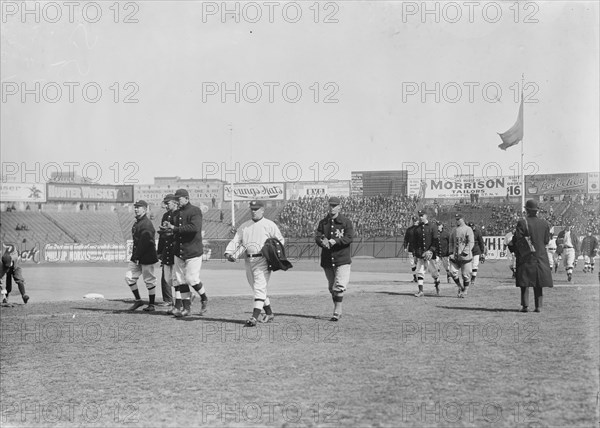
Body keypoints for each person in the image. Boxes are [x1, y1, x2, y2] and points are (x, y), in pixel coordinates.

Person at [224, 200, 285, 326]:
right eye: (252, 208)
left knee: (259, 288)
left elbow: (280, 241)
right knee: (257, 288)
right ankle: (269, 313)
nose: (253, 211)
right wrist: (229, 252)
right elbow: (236, 240)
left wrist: (273, 252)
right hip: (248, 260)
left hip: (263, 259)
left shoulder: (269, 224)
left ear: (263, 210)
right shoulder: (245, 225)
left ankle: (254, 317)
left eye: (256, 209)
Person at [162, 188, 208, 317]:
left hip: (193, 250)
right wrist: (167, 228)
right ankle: (186, 308)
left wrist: (174, 228)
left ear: (186, 198)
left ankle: (204, 298)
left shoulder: (195, 210)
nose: (177, 201)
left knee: (191, 279)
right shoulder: (176, 213)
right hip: (179, 251)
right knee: (181, 280)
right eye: (176, 199)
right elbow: (175, 232)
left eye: (179, 198)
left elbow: (194, 228)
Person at [315, 196, 354, 321]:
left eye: (334, 205)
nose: (332, 207)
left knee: (339, 285)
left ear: (339, 207)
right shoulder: (323, 222)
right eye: (330, 205)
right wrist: (323, 241)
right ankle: (337, 307)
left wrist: (335, 241)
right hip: (327, 259)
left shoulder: (346, 222)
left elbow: (349, 238)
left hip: (342, 258)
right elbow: (317, 236)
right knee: (331, 287)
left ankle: (337, 310)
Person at [514, 199, 553, 312]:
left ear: (526, 210)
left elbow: (518, 239)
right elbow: (546, 240)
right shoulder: (544, 223)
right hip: (540, 256)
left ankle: (525, 305)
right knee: (538, 282)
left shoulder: (522, 222)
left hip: (526, 256)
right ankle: (538, 306)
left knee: (524, 282)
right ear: (537, 211)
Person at [125, 200, 159, 311]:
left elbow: (146, 242)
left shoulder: (146, 223)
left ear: (144, 209)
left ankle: (152, 305)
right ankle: (138, 301)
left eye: (138, 207)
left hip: (146, 256)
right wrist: (136, 256)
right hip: (137, 256)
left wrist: (137, 256)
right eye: (135, 207)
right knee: (129, 277)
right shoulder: (138, 222)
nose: (136, 209)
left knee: (149, 280)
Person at [157, 194, 178, 312]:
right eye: (165, 203)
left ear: (175, 202)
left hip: (176, 248)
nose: (165, 205)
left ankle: (181, 299)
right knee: (166, 276)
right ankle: (169, 299)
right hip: (167, 247)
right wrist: (159, 251)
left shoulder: (180, 214)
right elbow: (162, 235)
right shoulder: (166, 215)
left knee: (177, 277)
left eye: (168, 203)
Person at [411, 210, 440, 297]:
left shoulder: (433, 226)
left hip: (431, 255)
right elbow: (415, 243)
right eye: (419, 215)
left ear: (426, 216)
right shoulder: (417, 228)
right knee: (419, 271)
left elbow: (435, 241)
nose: (420, 217)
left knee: (434, 273)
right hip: (421, 254)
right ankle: (420, 291)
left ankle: (437, 284)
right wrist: (415, 254)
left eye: (422, 215)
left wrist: (431, 250)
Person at [449, 214, 474, 298]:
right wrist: (451, 252)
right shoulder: (454, 230)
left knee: (465, 275)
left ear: (463, 219)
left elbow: (471, 242)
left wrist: (465, 252)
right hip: (455, 256)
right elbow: (451, 242)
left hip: (465, 256)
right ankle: (460, 287)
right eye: (456, 219)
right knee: (452, 272)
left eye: (459, 219)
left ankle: (465, 291)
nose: (457, 220)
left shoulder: (468, 229)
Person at [403, 216, 419, 282]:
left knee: (417, 263)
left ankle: (417, 277)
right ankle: (415, 277)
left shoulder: (420, 229)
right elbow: (406, 239)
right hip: (412, 248)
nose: (415, 221)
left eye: (416, 220)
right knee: (413, 263)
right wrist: (405, 247)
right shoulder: (409, 230)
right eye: (414, 220)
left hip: (418, 248)